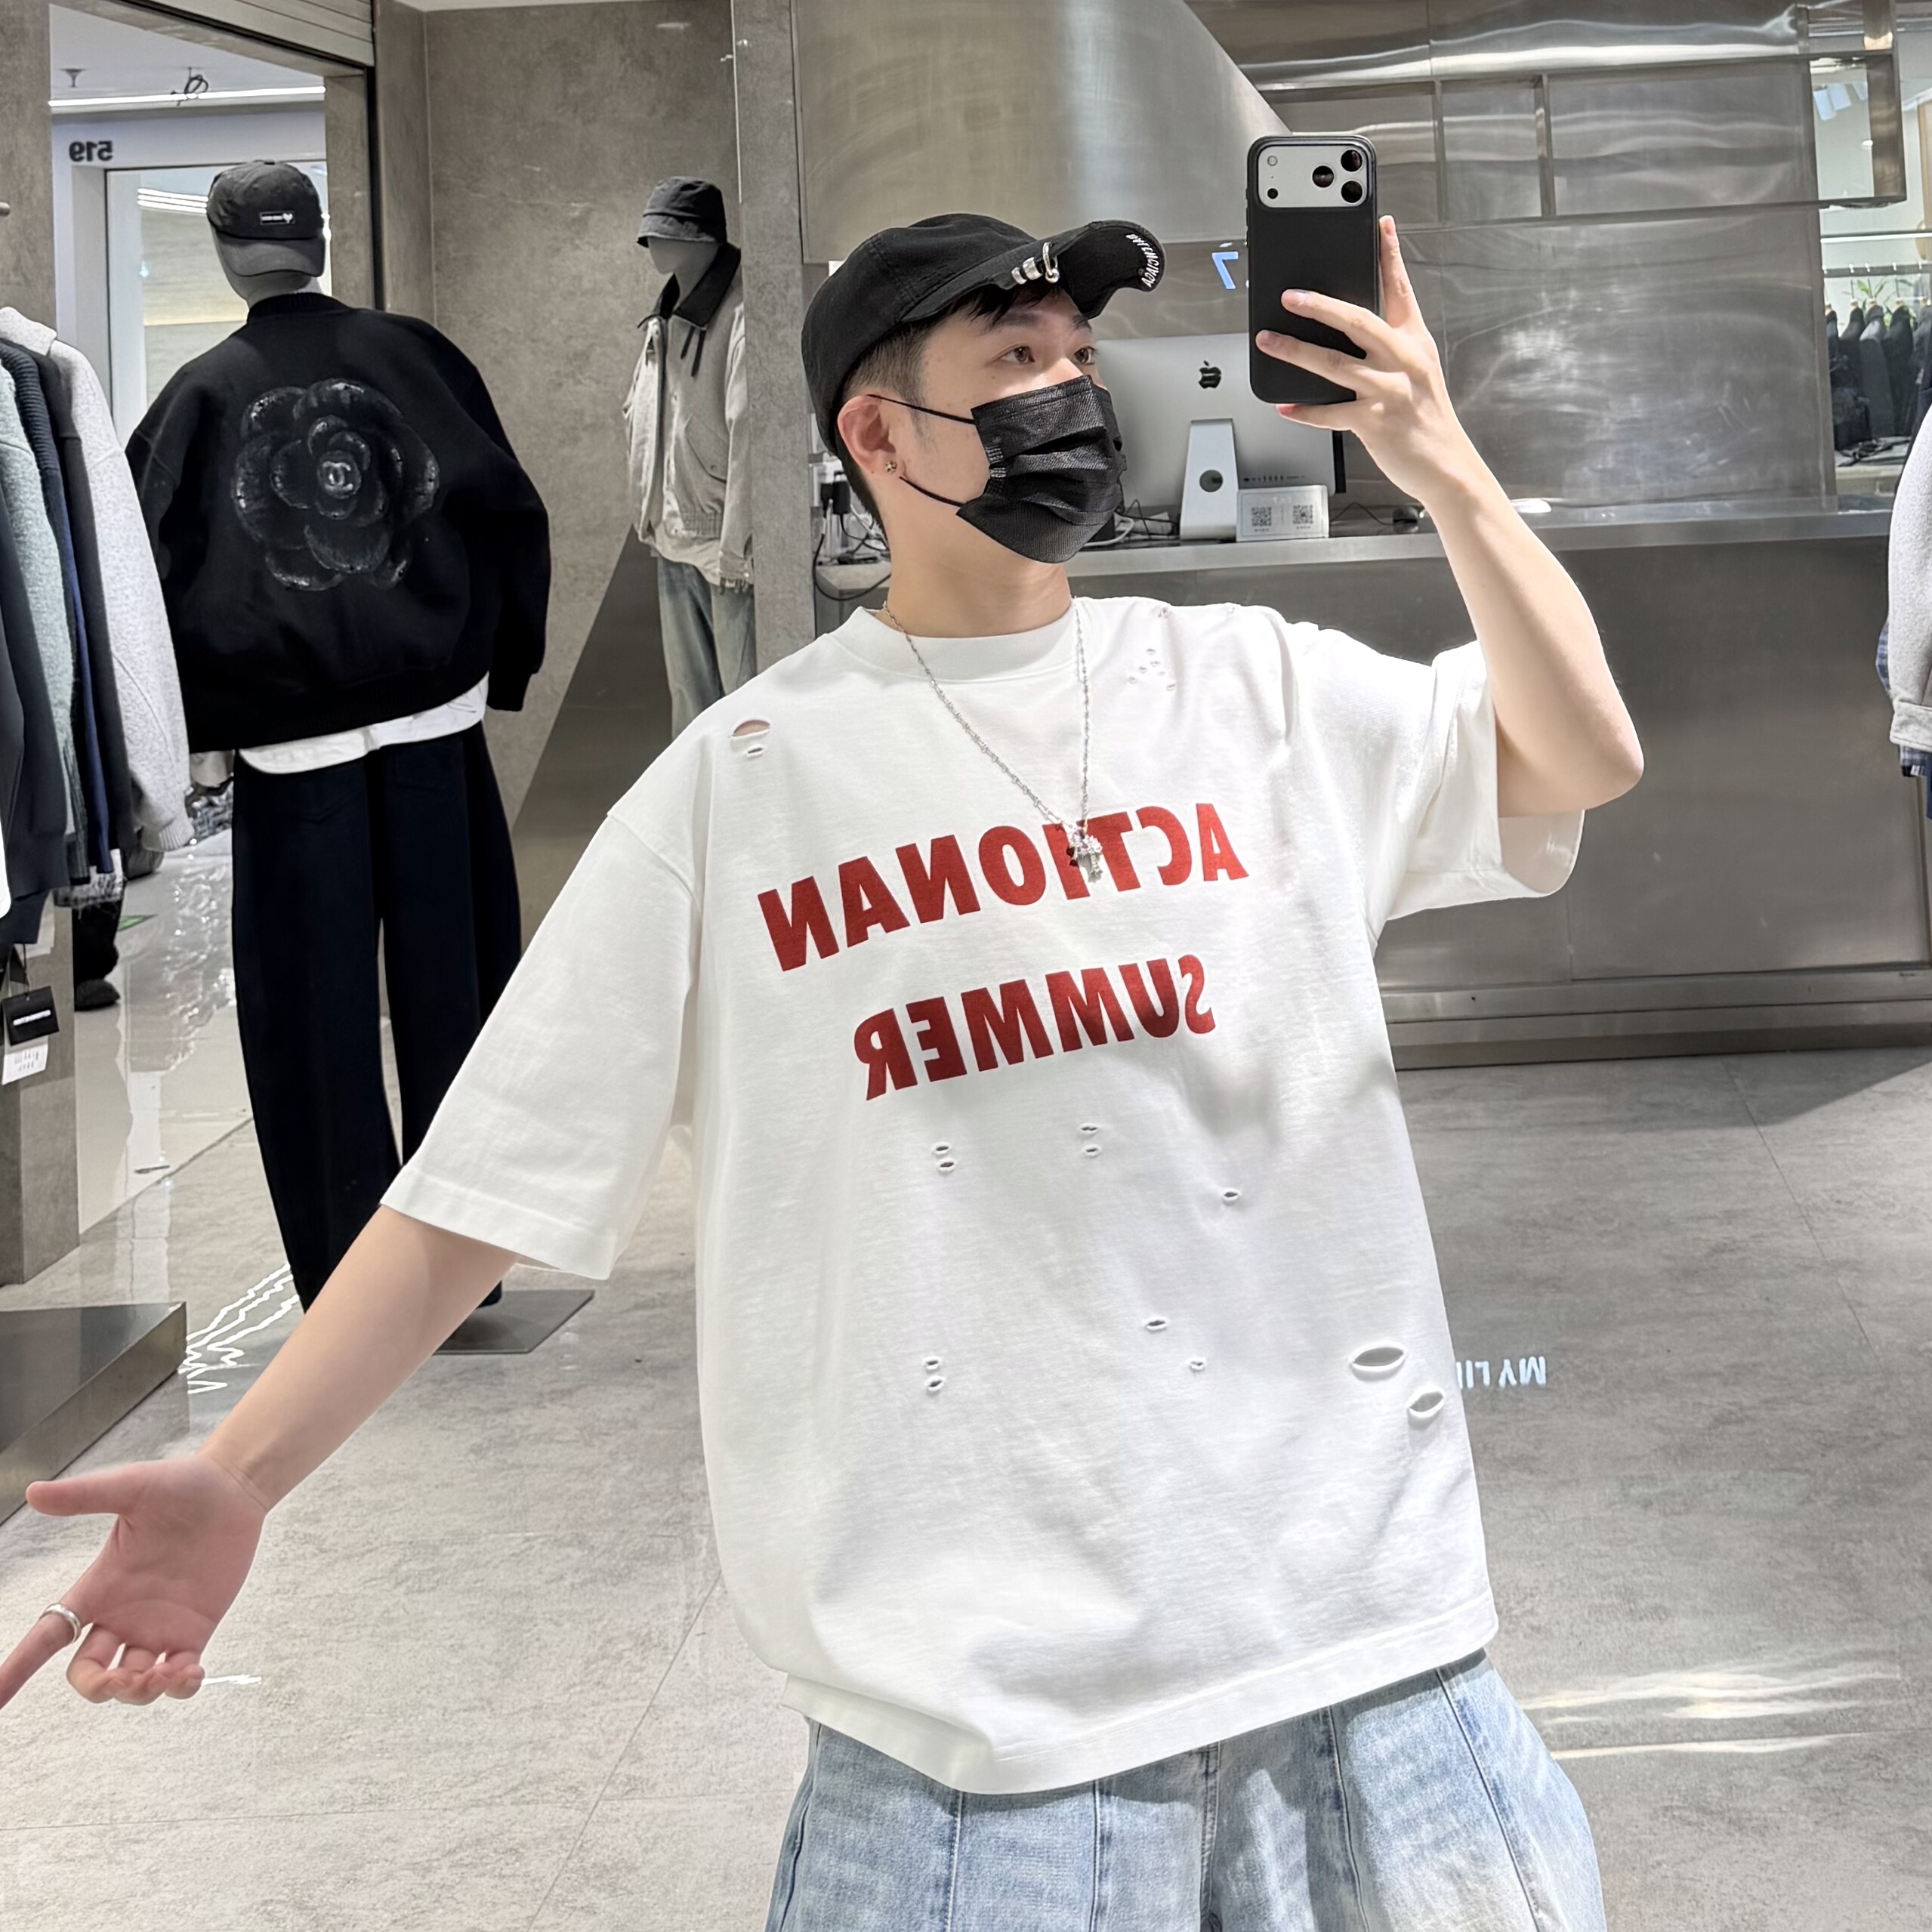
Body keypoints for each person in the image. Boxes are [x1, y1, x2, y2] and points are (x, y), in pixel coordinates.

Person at [2, 211, 1642, 1929]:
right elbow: (478, 1185)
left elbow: (1579, 757)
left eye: (1081, 360)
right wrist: (240, 1471)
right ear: (876, 431)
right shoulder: (745, 783)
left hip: (1368, 1645)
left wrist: (1444, 467)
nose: (1072, 396)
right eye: (1016, 362)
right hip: (983, 1730)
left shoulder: (1252, 687)